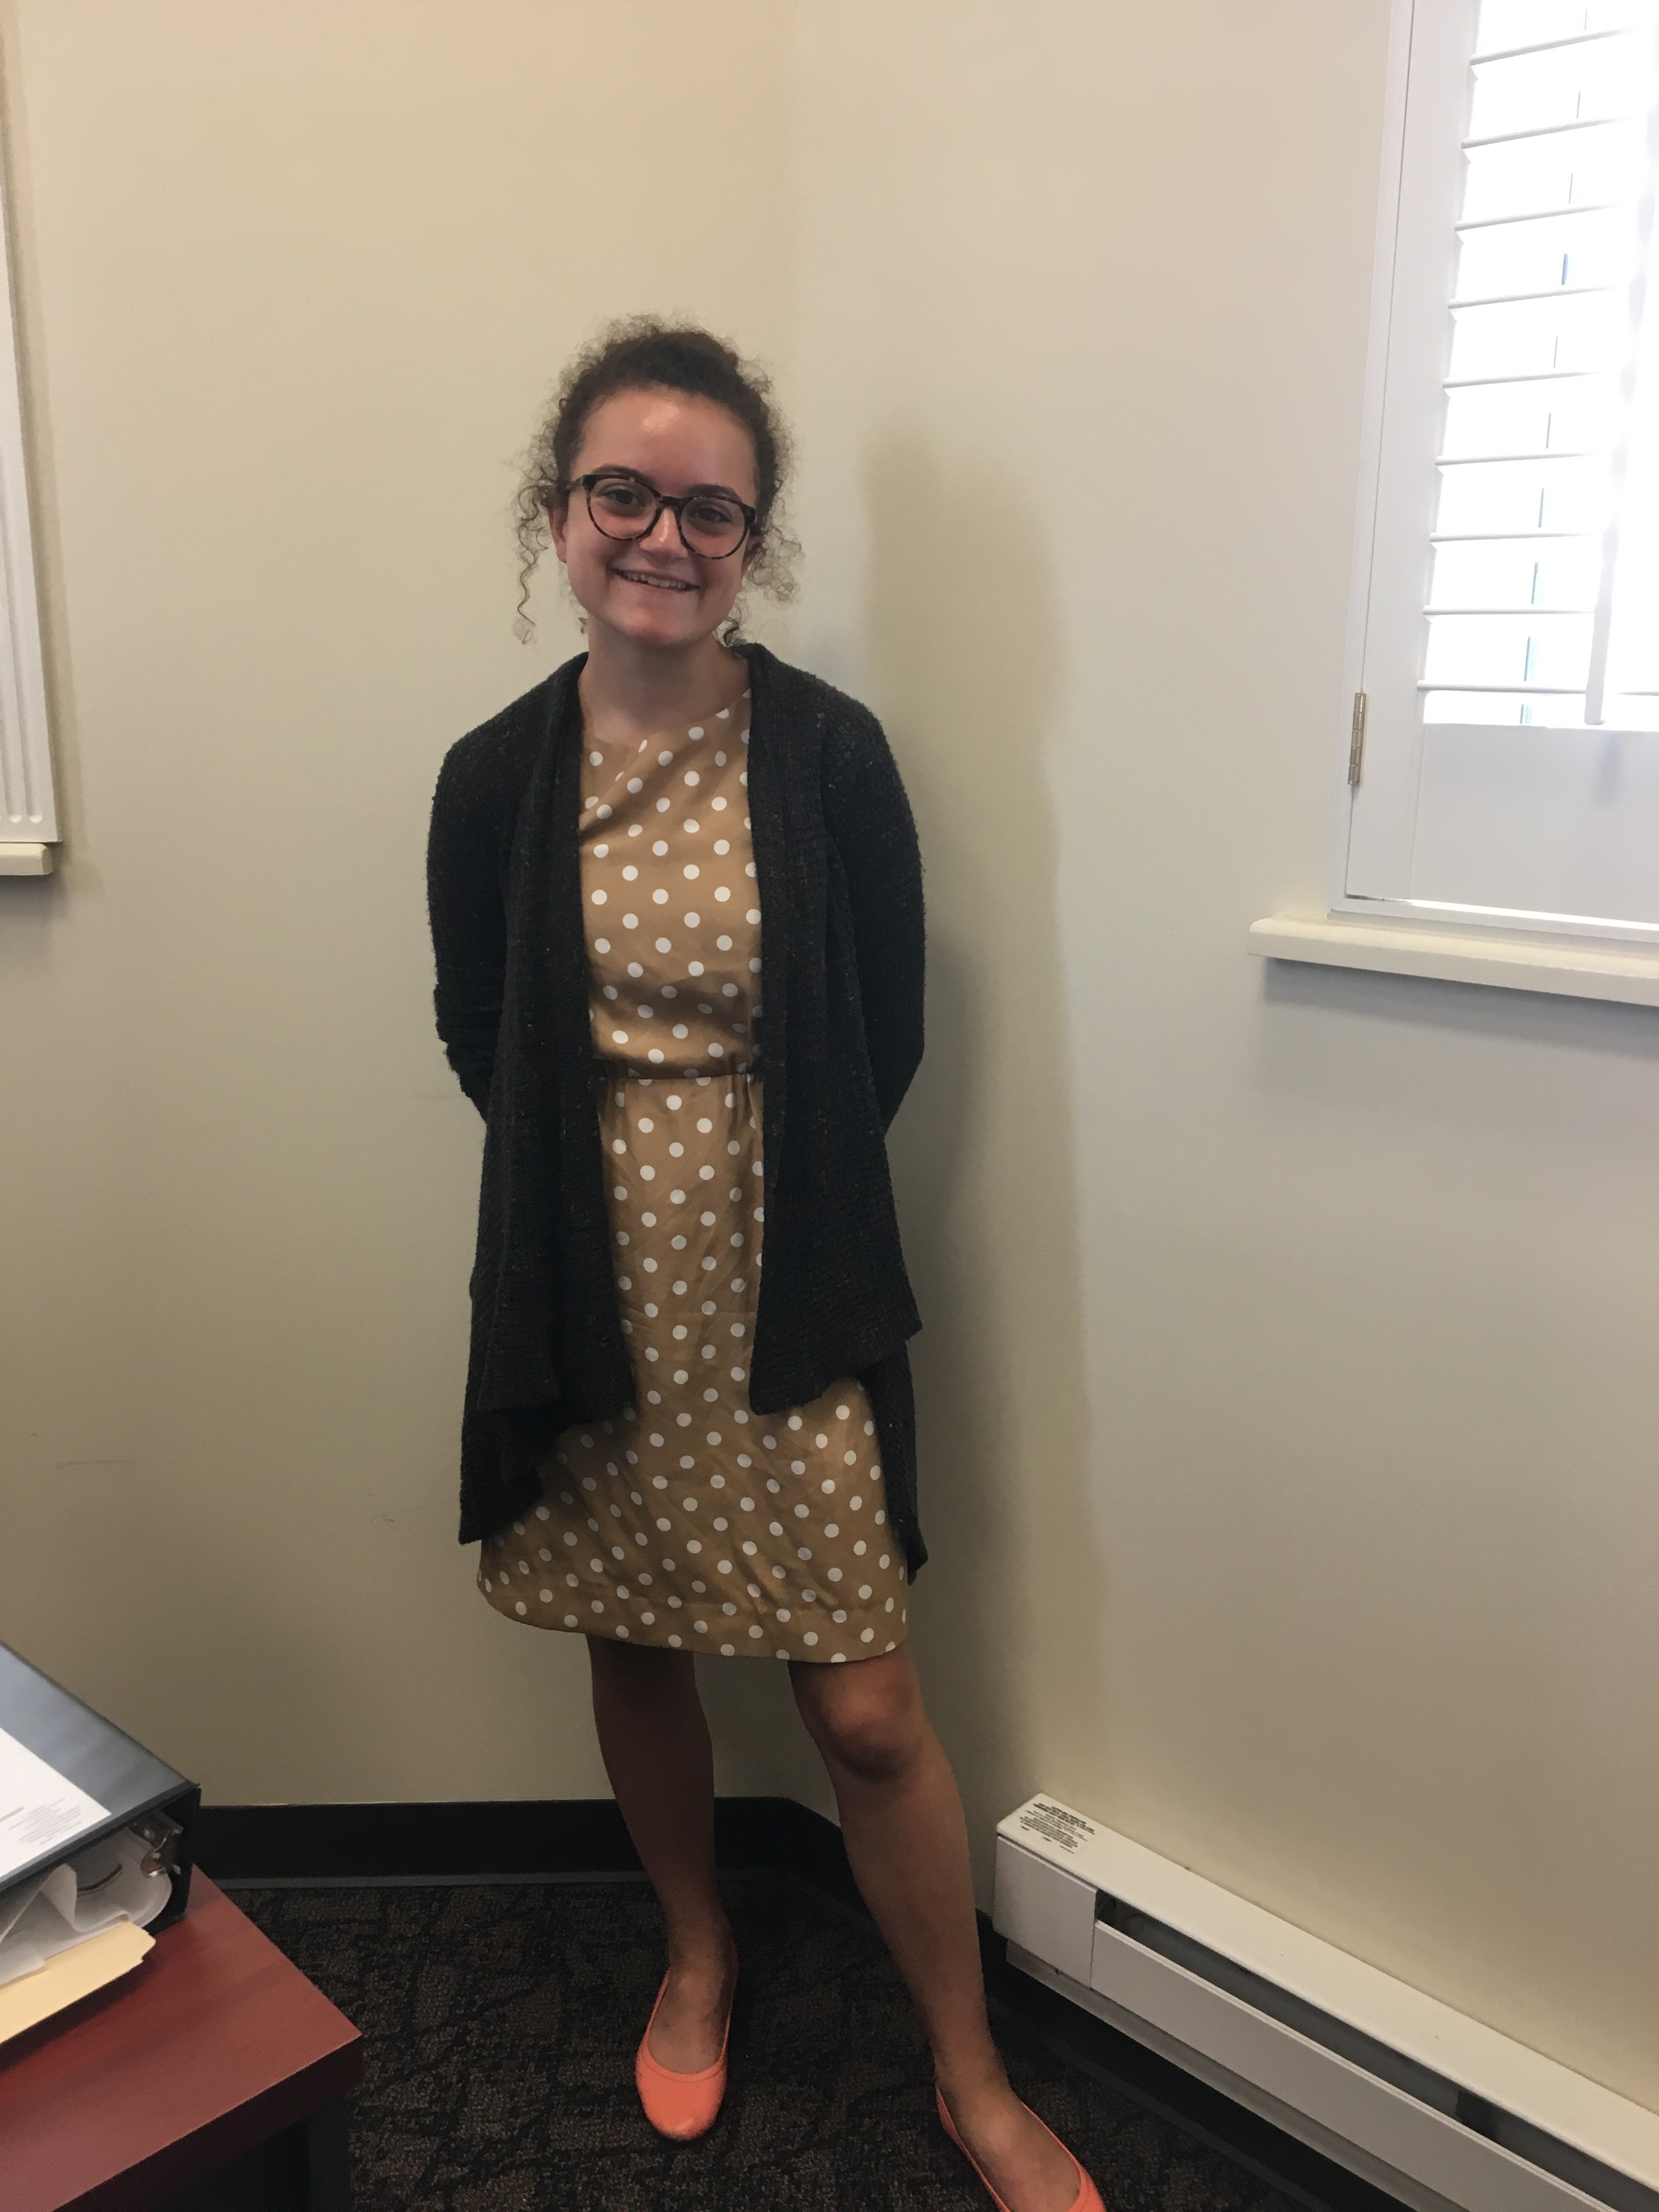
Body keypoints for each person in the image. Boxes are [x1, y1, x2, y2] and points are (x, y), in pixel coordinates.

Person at [427, 318, 1103, 2212]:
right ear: (559, 515)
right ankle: (699, 1947)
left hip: (787, 1277)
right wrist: (606, 1182)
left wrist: (748, 1179)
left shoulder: (827, 755)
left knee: (866, 1710)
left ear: (753, 540)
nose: (663, 535)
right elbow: (481, 1031)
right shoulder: (491, 778)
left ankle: (970, 2075)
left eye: (708, 508)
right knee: (633, 1640)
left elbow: (882, 1030)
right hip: (583, 1280)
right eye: (622, 494)